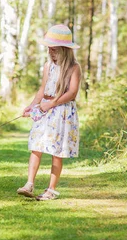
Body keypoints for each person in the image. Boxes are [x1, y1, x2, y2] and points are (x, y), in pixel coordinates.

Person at [18, 24, 81, 201]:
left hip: (61, 112)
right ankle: (29, 183)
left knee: (56, 151)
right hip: (46, 108)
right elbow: (42, 89)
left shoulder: (73, 68)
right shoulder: (48, 66)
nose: (51, 53)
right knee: (36, 146)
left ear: (65, 50)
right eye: (49, 50)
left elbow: (72, 93)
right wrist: (32, 106)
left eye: (55, 50)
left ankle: (51, 189)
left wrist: (52, 103)